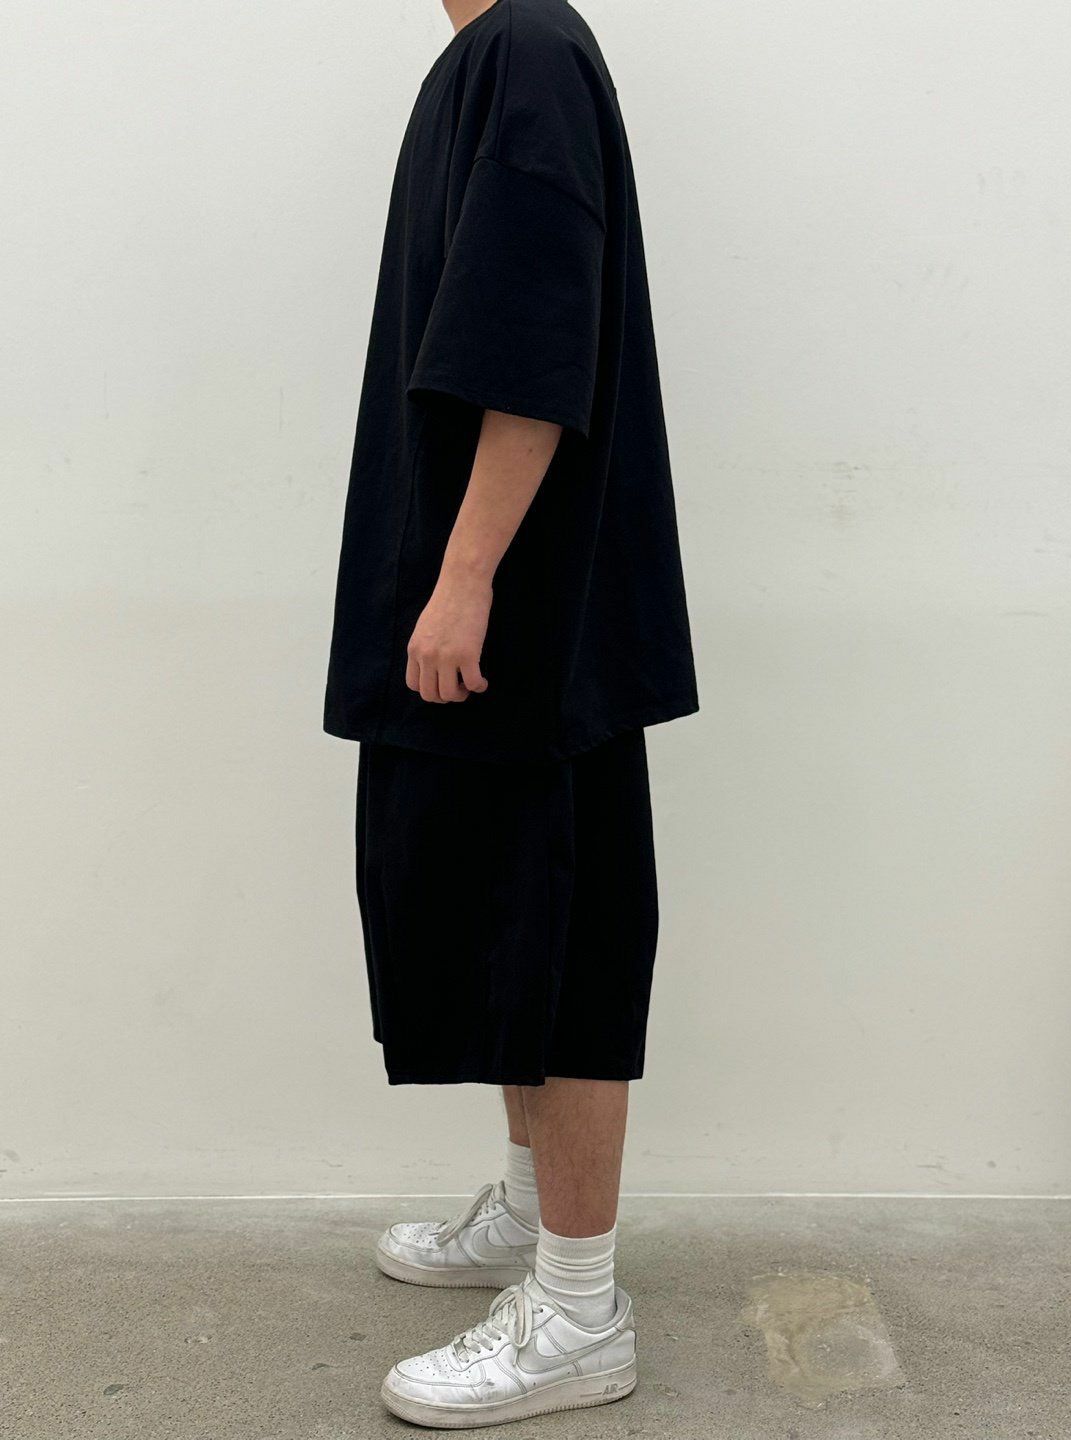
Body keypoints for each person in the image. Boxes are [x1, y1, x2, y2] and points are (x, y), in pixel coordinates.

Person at [323, 0, 697, 1425]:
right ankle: (535, 1218)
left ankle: (581, 1311)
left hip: (533, 626)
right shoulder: (497, 56)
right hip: (515, 614)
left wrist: (466, 575)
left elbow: (533, 343)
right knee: (506, 922)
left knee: (571, 937)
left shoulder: (527, 52)